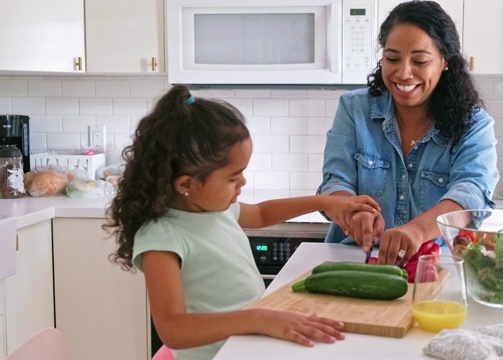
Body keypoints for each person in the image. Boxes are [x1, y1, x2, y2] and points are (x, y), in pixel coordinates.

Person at [104, 85, 380, 360]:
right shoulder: (162, 237)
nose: (243, 183)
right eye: (233, 178)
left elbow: (260, 213)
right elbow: (173, 330)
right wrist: (258, 319)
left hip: (245, 346)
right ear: (187, 184)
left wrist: (324, 202)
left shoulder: (215, 208)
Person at [318, 1, 499, 266]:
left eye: (420, 61)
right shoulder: (354, 109)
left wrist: (417, 231)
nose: (403, 73)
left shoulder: (474, 124)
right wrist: (352, 211)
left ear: (444, 61)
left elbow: (471, 193)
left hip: (436, 265)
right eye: (392, 58)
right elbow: (336, 182)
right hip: (356, 260)